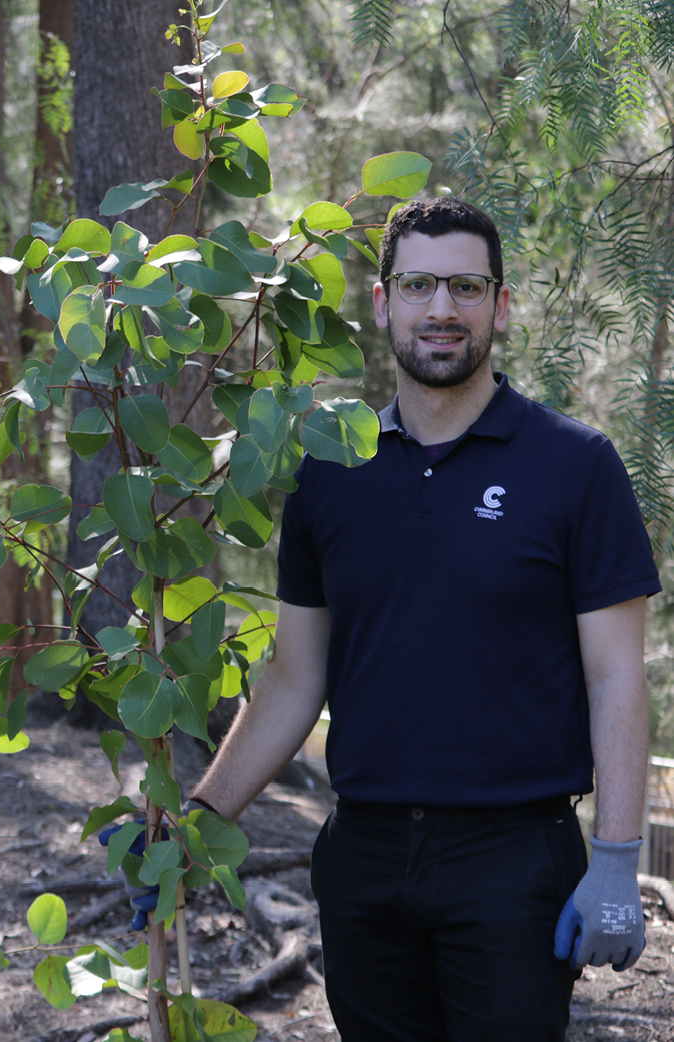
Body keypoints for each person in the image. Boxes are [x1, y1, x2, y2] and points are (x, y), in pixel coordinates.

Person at [184, 197, 658, 1041]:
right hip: (361, 859)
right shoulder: (330, 472)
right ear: (382, 304)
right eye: (420, 286)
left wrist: (617, 861)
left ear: (500, 306)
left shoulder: (576, 466)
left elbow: (616, 672)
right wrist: (201, 819)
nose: (442, 309)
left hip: (513, 861)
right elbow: (296, 677)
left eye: (467, 286)